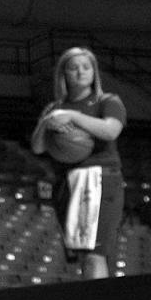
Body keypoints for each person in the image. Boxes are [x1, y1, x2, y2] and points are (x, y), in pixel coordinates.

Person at [28, 45, 127, 281]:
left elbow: (111, 131)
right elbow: (38, 147)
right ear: (64, 74)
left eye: (86, 67)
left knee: (94, 254)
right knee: (83, 255)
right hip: (66, 180)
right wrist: (46, 123)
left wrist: (74, 118)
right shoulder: (54, 108)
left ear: (94, 73)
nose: (81, 72)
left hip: (99, 178)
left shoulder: (108, 101)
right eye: (74, 68)